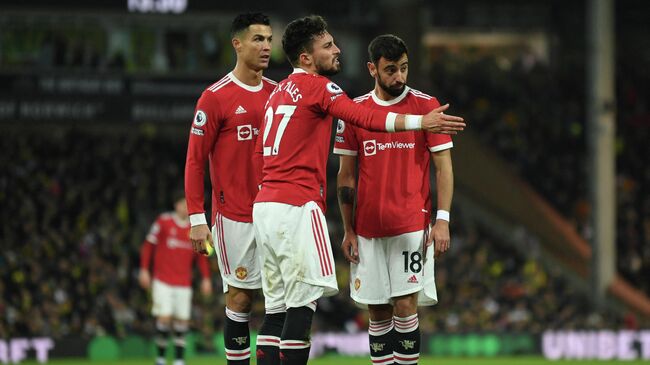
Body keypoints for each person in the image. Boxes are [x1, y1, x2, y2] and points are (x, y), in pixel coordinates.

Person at [252, 15, 465, 365]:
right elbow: (362, 119)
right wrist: (418, 123)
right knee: (302, 306)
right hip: (298, 206)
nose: (337, 51)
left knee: (275, 309)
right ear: (306, 57)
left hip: (266, 205)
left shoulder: (276, 91)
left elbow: (260, 151)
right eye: (328, 46)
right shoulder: (321, 88)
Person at [335, 34, 454, 365]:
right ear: (372, 68)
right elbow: (346, 176)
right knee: (377, 311)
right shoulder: (355, 112)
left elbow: (444, 169)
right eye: (390, 70)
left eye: (404, 68)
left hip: (410, 226)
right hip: (368, 228)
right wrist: (348, 229)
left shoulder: (427, 107)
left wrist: (442, 219)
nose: (399, 77)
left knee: (405, 306)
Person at [184, 12, 281, 365]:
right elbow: (195, 161)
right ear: (236, 44)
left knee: (279, 300)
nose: (266, 46)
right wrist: (197, 218)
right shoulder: (215, 98)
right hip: (234, 215)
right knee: (240, 299)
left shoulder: (278, 94)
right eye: (258, 39)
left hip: (275, 211)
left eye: (269, 39)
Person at [139, 192, 212, 365]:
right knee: (164, 318)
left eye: (188, 205)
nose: (186, 208)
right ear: (175, 205)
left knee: (182, 321)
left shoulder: (194, 229)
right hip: (162, 280)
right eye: (182, 204)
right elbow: (149, 245)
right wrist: (144, 270)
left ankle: (179, 360)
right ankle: (161, 358)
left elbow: (201, 256)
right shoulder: (164, 221)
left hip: (183, 282)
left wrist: (206, 278)